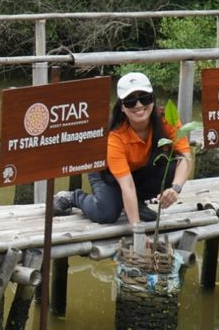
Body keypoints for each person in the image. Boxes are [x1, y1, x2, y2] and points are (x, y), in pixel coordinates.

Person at [54, 72, 191, 225]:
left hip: (139, 168)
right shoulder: (115, 136)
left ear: (153, 100)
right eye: (131, 101)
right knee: (106, 213)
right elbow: (127, 185)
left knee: (171, 165)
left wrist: (175, 188)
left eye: (144, 98)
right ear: (122, 107)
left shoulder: (167, 118)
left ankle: (136, 203)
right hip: (106, 173)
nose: (139, 105)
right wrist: (137, 229)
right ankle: (73, 197)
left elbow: (185, 157)